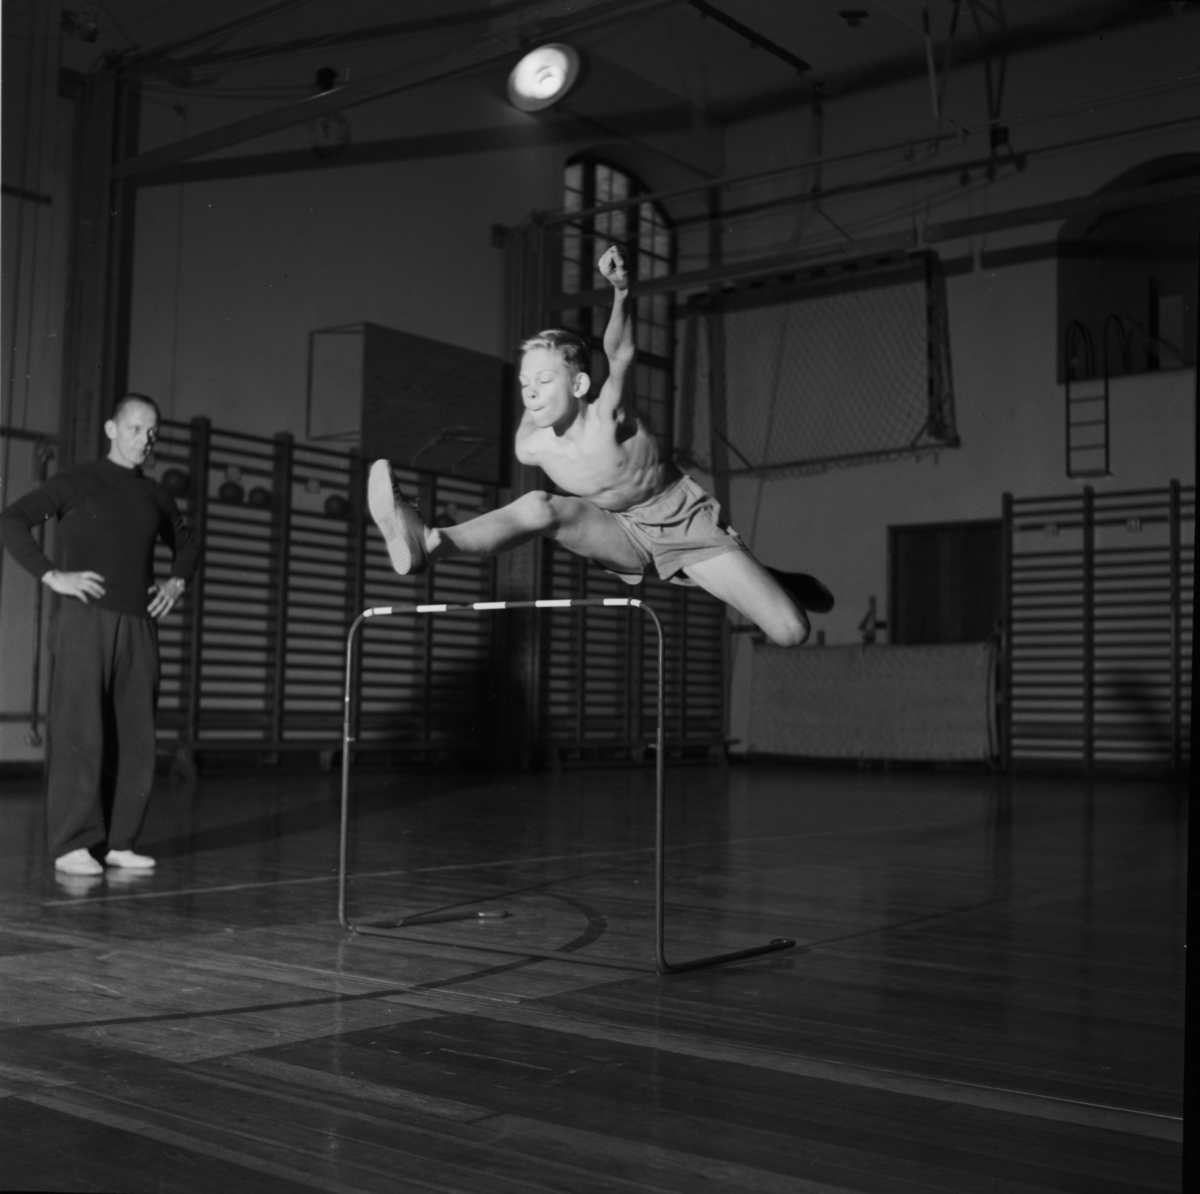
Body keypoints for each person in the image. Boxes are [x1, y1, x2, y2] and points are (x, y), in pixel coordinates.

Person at [367, 245, 832, 643]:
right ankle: (431, 541)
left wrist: (622, 291)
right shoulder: (532, 446)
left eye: (544, 381)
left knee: (791, 631)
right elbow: (537, 404)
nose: (531, 393)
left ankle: (765, 578)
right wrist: (538, 373)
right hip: (619, 530)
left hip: (682, 520)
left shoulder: (608, 416)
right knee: (541, 507)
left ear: (579, 385)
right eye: (525, 383)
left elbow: (621, 353)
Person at [0, 394, 198, 876]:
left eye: (152, 432)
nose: (145, 439)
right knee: (80, 730)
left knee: (136, 735)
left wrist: (176, 582)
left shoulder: (155, 494)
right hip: (85, 621)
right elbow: (12, 520)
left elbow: (188, 544)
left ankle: (119, 842)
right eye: (135, 429)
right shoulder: (78, 481)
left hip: (139, 625)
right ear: (111, 429)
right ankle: (73, 843)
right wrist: (52, 575)